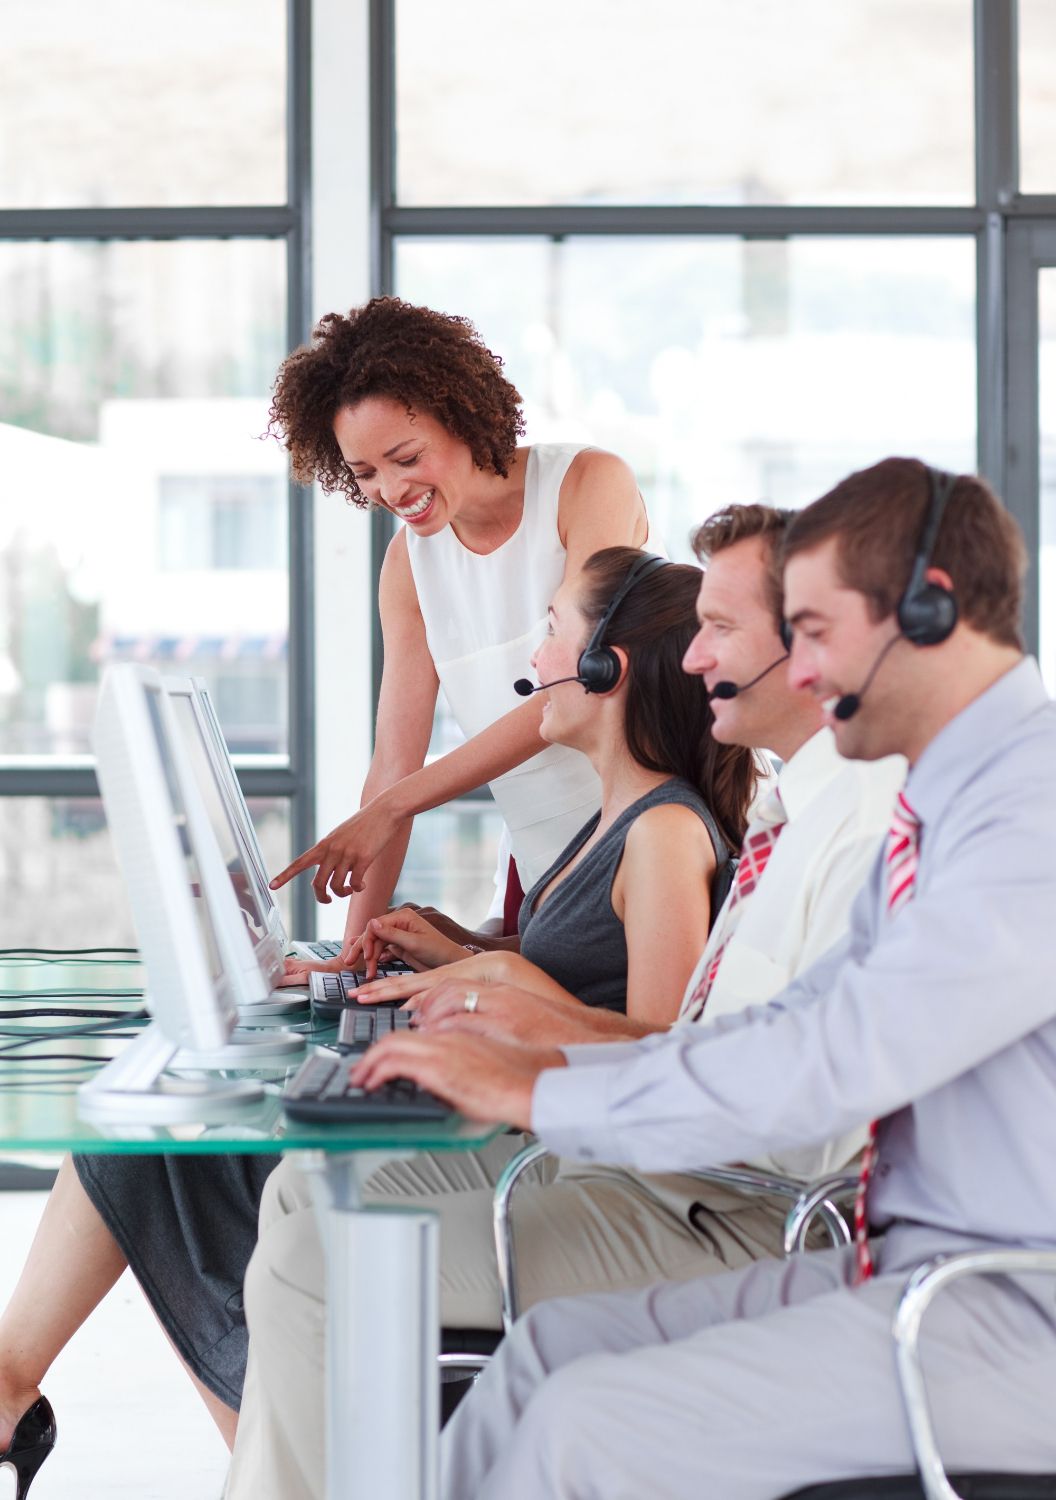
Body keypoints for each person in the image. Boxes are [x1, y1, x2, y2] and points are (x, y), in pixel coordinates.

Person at [346, 457, 1056, 1499]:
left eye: (811, 634)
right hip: (907, 1268)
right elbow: (798, 1019)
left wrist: (541, 1090)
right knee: (544, 1356)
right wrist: (547, 1057)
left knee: (588, 1427)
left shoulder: (1025, 817)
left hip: (1011, 1312)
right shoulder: (945, 799)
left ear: (927, 608)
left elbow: (836, 1054)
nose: (798, 673)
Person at [0, 547, 754, 1481]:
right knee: (164, 1142)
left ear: (609, 668)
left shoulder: (665, 832)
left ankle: (247, 1447)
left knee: (168, 1144)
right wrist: (461, 947)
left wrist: (495, 985)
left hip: (542, 1150)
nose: (531, 661)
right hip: (506, 1109)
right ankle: (216, 1433)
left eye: (552, 627)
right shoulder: (617, 821)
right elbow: (585, 971)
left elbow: (657, 1048)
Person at [223, 504, 906, 1500]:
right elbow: (713, 1045)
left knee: (303, 1259)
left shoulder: (850, 829)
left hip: (719, 1204)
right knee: (303, 1191)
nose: (697, 653)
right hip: (672, 1166)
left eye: (723, 628)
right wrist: (508, 1005)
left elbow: (762, 1092)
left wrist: (534, 1039)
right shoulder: (788, 815)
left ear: (806, 646)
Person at [265, 296, 659, 961]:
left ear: (459, 415)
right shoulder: (408, 566)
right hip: (554, 877)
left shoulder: (587, 485)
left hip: (658, 845)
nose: (391, 489)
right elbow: (394, 763)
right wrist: (349, 954)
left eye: (405, 457)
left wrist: (390, 808)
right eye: (365, 474)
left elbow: (577, 688)